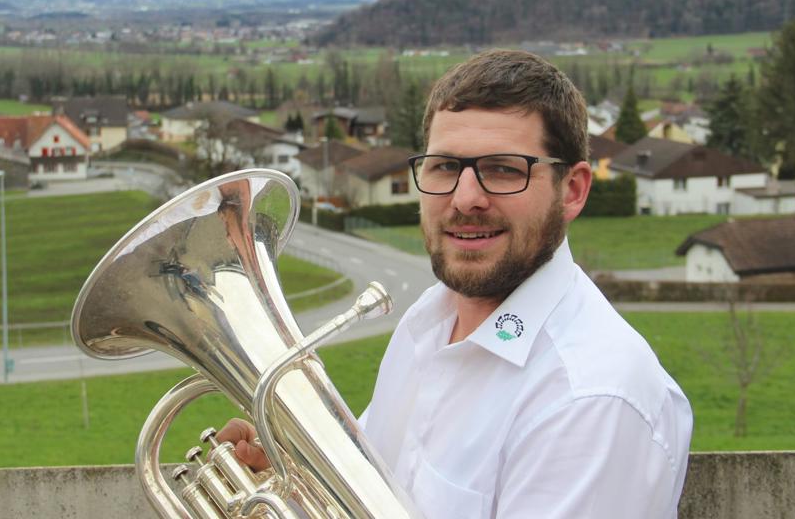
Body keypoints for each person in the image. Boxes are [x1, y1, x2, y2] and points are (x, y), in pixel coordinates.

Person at [220, 49, 693, 518]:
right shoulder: (429, 320)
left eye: (504, 169)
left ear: (572, 191)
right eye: (445, 167)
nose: (466, 199)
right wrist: (296, 487)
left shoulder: (590, 398)